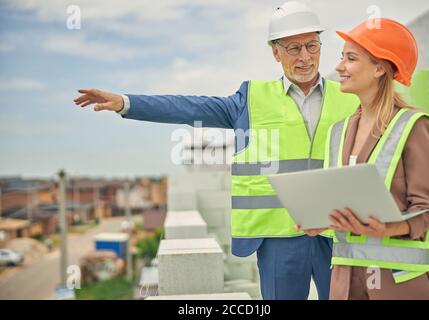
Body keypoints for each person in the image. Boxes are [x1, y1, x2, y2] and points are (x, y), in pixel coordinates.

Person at [73, 2, 358, 300]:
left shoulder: (350, 97)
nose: (305, 57)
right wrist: (126, 102)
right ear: (276, 52)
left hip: (337, 231)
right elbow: (189, 107)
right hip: (279, 237)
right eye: (293, 48)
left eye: (312, 46)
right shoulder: (251, 99)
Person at [324, 18, 429, 299]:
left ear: (379, 67)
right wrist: (321, 217)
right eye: (342, 57)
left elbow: (427, 211)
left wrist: (390, 227)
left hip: (396, 283)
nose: (340, 67)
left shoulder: (413, 125)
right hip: (344, 282)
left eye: (351, 58)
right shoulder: (338, 131)